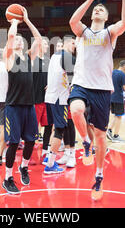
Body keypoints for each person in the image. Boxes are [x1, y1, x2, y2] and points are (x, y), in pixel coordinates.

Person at [68, 0, 125, 201]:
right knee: (75, 110)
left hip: (102, 90)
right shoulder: (83, 32)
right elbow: (73, 22)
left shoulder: (109, 33)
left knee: (102, 136)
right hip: (82, 84)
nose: (98, 11)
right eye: (96, 9)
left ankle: (99, 174)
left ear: (106, 17)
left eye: (102, 10)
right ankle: (85, 142)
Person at [2, 6, 42, 194]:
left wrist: (27, 20)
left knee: (31, 141)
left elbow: (39, 40)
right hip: (13, 107)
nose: (18, 40)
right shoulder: (8, 58)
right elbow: (10, 38)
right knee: (14, 142)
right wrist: (15, 22)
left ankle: (23, 167)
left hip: (29, 106)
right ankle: (8, 178)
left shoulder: (28, 58)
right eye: (17, 38)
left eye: (21, 39)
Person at [43, 35, 77, 173]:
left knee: (57, 128)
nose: (75, 46)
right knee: (60, 130)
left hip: (50, 98)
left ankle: (57, 156)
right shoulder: (67, 57)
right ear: (68, 43)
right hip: (60, 98)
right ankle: (50, 164)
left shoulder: (53, 56)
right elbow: (73, 78)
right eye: (74, 43)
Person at [107, 60, 125, 143]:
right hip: (118, 98)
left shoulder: (113, 72)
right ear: (124, 66)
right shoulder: (122, 74)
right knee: (119, 117)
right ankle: (116, 136)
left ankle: (109, 130)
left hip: (111, 97)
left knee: (116, 115)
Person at [32, 37, 51, 163]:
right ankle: (31, 155)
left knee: (49, 125)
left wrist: (51, 84)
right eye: (44, 43)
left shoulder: (49, 61)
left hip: (48, 99)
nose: (46, 46)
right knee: (33, 128)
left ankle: (45, 151)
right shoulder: (33, 60)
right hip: (35, 98)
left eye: (46, 44)